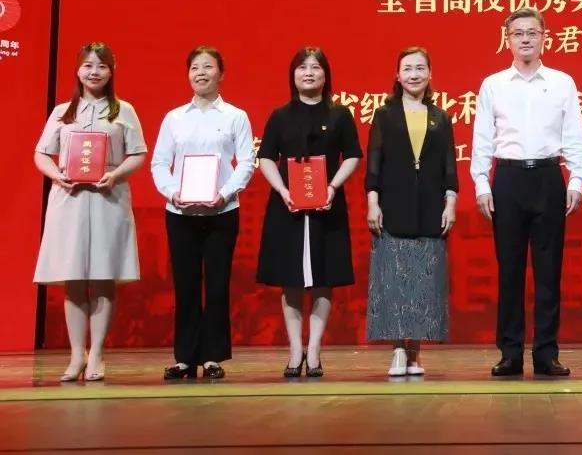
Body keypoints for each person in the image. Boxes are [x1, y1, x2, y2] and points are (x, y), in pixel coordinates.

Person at [471, 7, 582, 377]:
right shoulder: (493, 84)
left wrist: (576, 179)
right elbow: (482, 138)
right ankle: (510, 352)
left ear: (544, 38)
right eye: (518, 33)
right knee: (509, 271)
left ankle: (546, 353)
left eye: (532, 33)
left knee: (549, 271)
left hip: (548, 177)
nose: (525, 39)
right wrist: (481, 183)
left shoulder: (562, 83)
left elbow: (574, 134)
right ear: (507, 40)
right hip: (507, 179)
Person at [33, 42, 146, 382]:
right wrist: (57, 175)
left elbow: (138, 154)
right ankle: (75, 355)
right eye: (88, 65)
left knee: (102, 276)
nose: (94, 72)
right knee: (74, 278)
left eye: (101, 66)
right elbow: (41, 153)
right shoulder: (62, 111)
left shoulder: (123, 110)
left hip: (108, 197)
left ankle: (96, 353)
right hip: (69, 198)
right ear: (78, 70)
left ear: (111, 71)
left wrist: (115, 174)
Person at [150, 46, 256, 380]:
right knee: (185, 285)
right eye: (194, 67)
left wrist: (224, 193)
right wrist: (173, 192)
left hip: (222, 211)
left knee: (217, 285)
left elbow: (247, 162)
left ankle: (212, 357)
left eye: (208, 67)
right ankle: (185, 358)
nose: (201, 73)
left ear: (221, 74)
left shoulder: (235, 116)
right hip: (180, 212)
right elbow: (159, 163)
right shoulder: (174, 118)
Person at [256, 47, 362, 378]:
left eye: (315, 67)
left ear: (325, 75)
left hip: (327, 207)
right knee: (290, 280)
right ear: (293, 75)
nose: (309, 73)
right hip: (286, 207)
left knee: (323, 278)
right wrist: (282, 190)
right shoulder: (280, 116)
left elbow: (353, 155)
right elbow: (266, 157)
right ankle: (294, 350)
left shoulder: (340, 115)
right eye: (302, 68)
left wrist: (332, 186)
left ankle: (314, 349)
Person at [365, 47, 458, 376]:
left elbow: (449, 164)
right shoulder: (384, 115)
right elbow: (374, 162)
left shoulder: (440, 117)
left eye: (420, 68)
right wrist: (372, 202)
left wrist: (451, 203)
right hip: (394, 206)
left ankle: (416, 353)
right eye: (407, 68)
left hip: (430, 208)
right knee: (394, 281)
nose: (414, 74)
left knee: (423, 282)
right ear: (397, 75)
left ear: (430, 74)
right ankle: (398, 351)